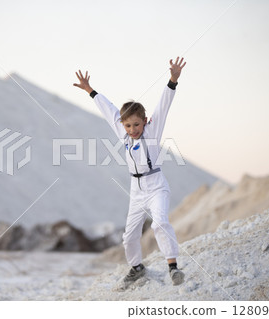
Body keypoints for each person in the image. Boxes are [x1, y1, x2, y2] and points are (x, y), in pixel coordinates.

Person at [73, 57, 187, 286]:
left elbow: (163, 106)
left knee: (159, 223)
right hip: (136, 190)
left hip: (156, 186)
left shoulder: (152, 131)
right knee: (129, 236)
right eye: (128, 125)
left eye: (137, 124)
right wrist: (90, 90)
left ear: (145, 122)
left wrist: (173, 80)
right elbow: (109, 110)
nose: (133, 129)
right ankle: (137, 268)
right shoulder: (123, 133)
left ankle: (173, 267)